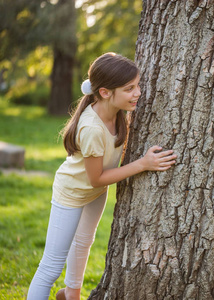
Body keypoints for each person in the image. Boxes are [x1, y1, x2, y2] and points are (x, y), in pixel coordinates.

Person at [27, 52, 177, 300]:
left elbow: (98, 181)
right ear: (105, 92)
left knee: (84, 243)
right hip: (72, 192)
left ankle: (71, 295)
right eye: (129, 88)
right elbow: (96, 177)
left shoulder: (118, 111)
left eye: (137, 85)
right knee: (51, 266)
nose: (138, 92)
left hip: (95, 191)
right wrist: (143, 164)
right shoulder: (92, 129)